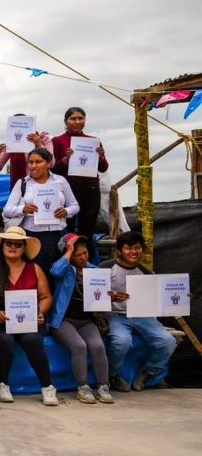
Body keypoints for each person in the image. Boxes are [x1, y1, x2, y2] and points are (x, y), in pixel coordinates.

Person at [0, 227, 58, 406]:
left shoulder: (35, 268)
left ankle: (47, 386)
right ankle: (2, 385)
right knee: (4, 340)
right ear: (2, 246)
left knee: (33, 340)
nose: (13, 247)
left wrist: (40, 312)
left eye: (18, 244)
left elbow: (46, 297)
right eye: (8, 243)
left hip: (29, 321)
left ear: (24, 248)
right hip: (1, 320)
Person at [101, 231, 176, 392]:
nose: (134, 252)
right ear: (119, 250)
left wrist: (180, 296)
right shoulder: (105, 268)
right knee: (122, 341)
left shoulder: (147, 273)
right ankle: (113, 375)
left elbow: (158, 298)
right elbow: (92, 295)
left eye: (137, 248)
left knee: (168, 341)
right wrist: (112, 298)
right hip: (115, 315)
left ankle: (148, 372)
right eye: (128, 248)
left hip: (142, 315)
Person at [48, 234, 114, 404]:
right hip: (63, 320)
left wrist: (110, 296)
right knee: (79, 346)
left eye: (85, 253)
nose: (83, 257)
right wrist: (69, 251)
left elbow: (101, 297)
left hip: (86, 321)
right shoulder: (65, 270)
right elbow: (55, 271)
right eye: (78, 254)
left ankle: (103, 386)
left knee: (98, 346)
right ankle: (83, 387)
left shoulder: (94, 271)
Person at [2, 147, 80, 277]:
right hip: (33, 237)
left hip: (59, 235)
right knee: (36, 275)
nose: (33, 166)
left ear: (48, 163)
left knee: (58, 274)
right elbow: (7, 210)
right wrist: (23, 209)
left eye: (38, 162)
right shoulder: (22, 183)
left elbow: (75, 206)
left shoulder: (60, 181)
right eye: (30, 162)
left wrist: (65, 211)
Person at [51, 107, 109, 261]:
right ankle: (66, 263)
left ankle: (87, 265)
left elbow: (103, 168)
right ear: (65, 121)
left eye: (80, 118)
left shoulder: (93, 141)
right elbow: (52, 168)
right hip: (67, 190)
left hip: (90, 189)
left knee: (87, 229)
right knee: (67, 228)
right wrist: (65, 160)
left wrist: (101, 157)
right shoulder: (57, 141)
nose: (77, 122)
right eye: (73, 119)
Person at [0, 114, 52, 188]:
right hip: (19, 188)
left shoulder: (43, 138)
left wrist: (39, 145)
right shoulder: (11, 143)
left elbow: (51, 163)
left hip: (42, 187)